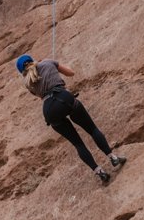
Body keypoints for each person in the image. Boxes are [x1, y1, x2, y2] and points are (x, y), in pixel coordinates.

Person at [16, 54, 126, 183]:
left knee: (78, 143)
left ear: (22, 72)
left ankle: (99, 172)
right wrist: (53, 66)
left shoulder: (27, 82)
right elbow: (71, 73)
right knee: (92, 129)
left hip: (49, 110)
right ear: (32, 59)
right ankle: (112, 157)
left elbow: (41, 95)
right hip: (63, 98)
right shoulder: (47, 62)